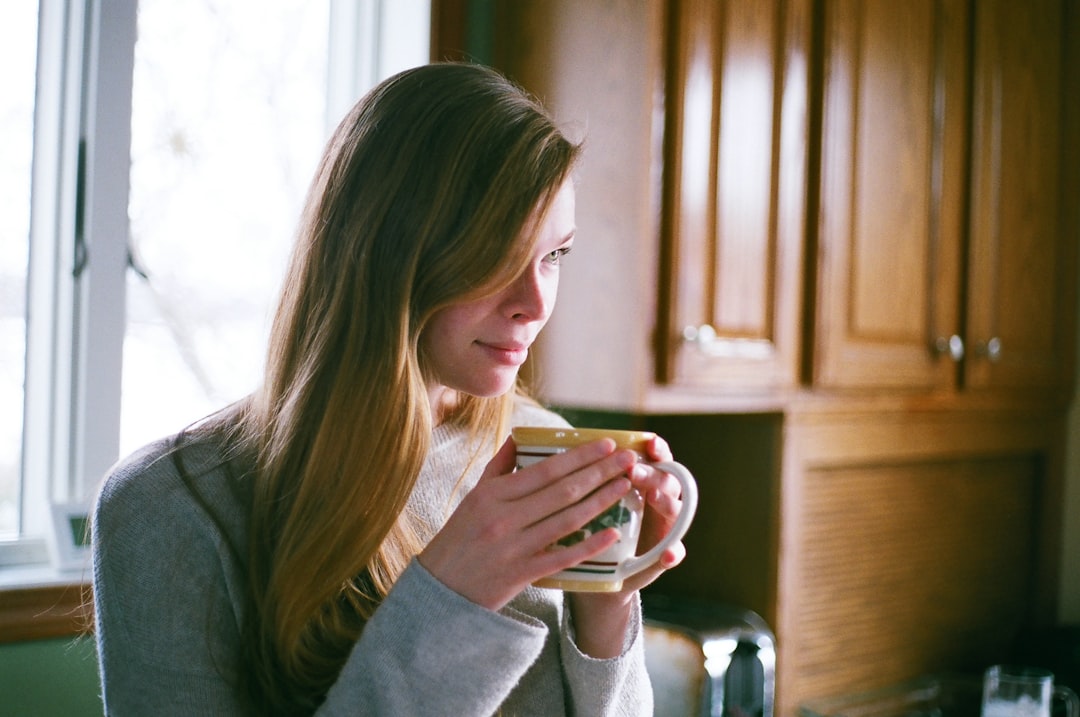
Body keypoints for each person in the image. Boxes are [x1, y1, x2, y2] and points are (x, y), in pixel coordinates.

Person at [92, 62, 687, 716]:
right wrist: (452, 597)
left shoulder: (537, 448)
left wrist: (607, 609)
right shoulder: (168, 507)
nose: (535, 302)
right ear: (388, 251)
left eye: (554, 255)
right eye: (498, 255)